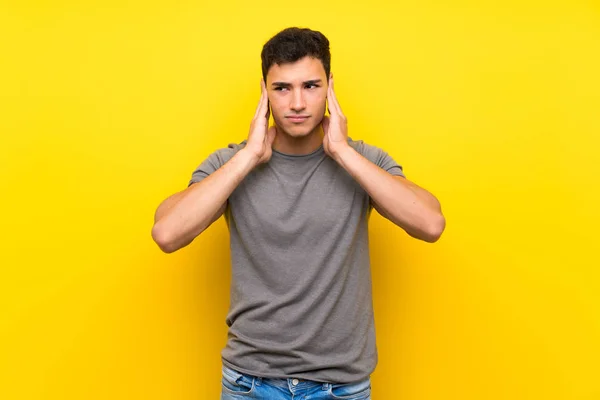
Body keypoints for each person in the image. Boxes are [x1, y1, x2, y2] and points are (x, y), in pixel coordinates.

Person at [151, 27, 445, 400]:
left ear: (329, 87)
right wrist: (248, 157)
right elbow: (167, 233)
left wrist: (341, 151)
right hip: (249, 383)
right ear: (264, 92)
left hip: (341, 386)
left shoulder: (363, 161)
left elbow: (431, 224)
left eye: (310, 86)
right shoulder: (232, 163)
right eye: (282, 88)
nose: (297, 103)